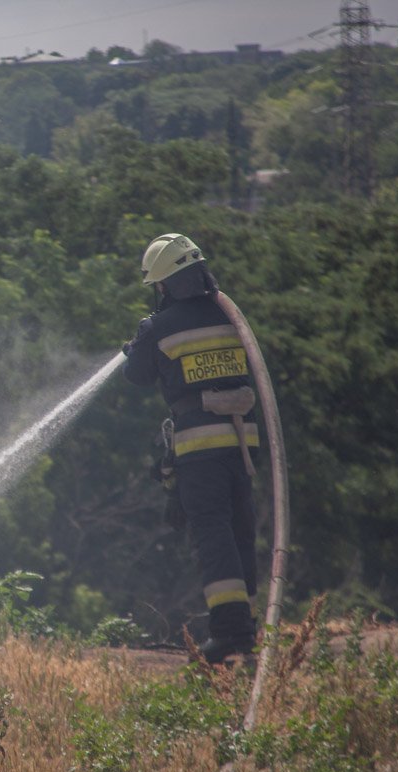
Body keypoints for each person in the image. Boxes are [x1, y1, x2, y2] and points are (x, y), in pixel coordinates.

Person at [121, 233, 259, 664]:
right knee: (239, 532)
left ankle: (231, 632)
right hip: (243, 444)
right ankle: (247, 625)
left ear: (164, 285)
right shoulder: (229, 315)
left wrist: (136, 347)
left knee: (212, 532)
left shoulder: (158, 326)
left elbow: (138, 376)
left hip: (199, 447)